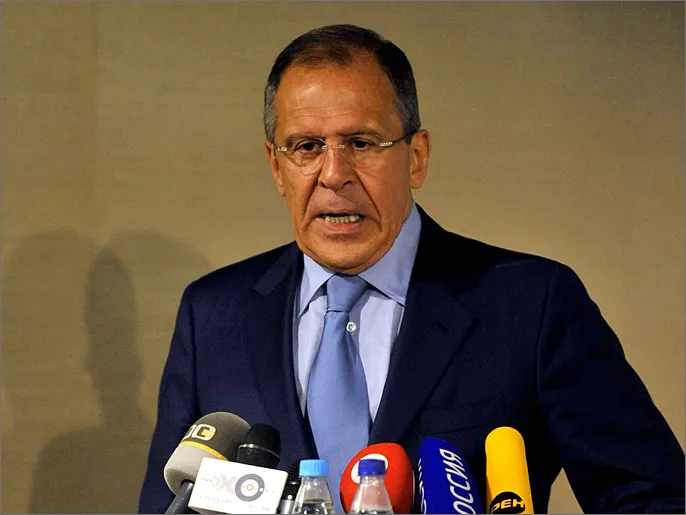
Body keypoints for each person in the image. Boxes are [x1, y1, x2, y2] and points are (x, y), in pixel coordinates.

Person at [139, 24, 684, 514]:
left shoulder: (531, 304)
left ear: (417, 156)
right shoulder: (212, 315)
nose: (333, 174)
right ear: (277, 168)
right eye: (306, 146)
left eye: (361, 143)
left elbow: (653, 499)